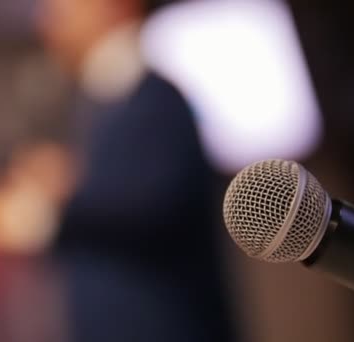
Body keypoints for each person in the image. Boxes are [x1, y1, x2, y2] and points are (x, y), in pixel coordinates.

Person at [38, 0, 237, 341]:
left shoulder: (155, 99)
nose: (48, 22)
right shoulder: (91, 105)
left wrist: (63, 196)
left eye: (64, 7)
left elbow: (153, 206)